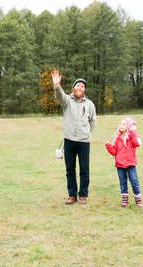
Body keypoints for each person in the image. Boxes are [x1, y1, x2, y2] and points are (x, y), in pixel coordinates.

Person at [52, 70, 97, 205]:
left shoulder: (89, 104)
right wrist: (56, 86)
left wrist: (87, 133)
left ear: (84, 90)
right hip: (69, 140)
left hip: (84, 142)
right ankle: (72, 195)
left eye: (82, 86)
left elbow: (93, 121)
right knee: (70, 169)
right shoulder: (67, 101)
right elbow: (59, 96)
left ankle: (83, 195)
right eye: (77, 85)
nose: (79, 88)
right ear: (74, 87)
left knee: (84, 169)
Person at [105, 117, 143, 207]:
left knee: (134, 181)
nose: (121, 125)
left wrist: (133, 132)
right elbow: (114, 151)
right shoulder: (117, 138)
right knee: (122, 182)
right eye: (120, 124)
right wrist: (109, 146)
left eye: (124, 124)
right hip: (120, 164)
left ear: (128, 126)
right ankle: (125, 200)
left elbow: (138, 143)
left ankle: (138, 200)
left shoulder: (131, 138)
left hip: (131, 164)